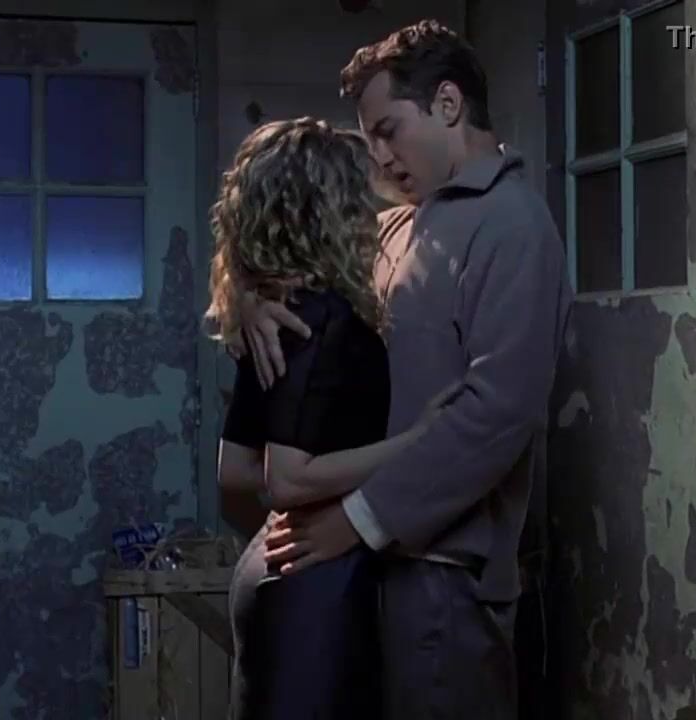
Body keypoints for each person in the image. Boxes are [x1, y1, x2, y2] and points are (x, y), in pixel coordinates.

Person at [232, 20, 573, 720]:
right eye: (369, 140)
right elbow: (298, 269)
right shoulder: (396, 228)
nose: (381, 158)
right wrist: (250, 299)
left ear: (448, 104)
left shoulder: (514, 226)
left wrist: (359, 519)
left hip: (442, 577)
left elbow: (497, 412)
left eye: (389, 131)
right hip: (363, 571)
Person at [209, 116, 456, 720]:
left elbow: (235, 475)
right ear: (330, 207)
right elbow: (287, 480)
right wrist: (419, 439)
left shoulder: (277, 310)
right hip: (316, 584)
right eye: (355, 190)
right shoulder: (322, 319)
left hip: (271, 571)